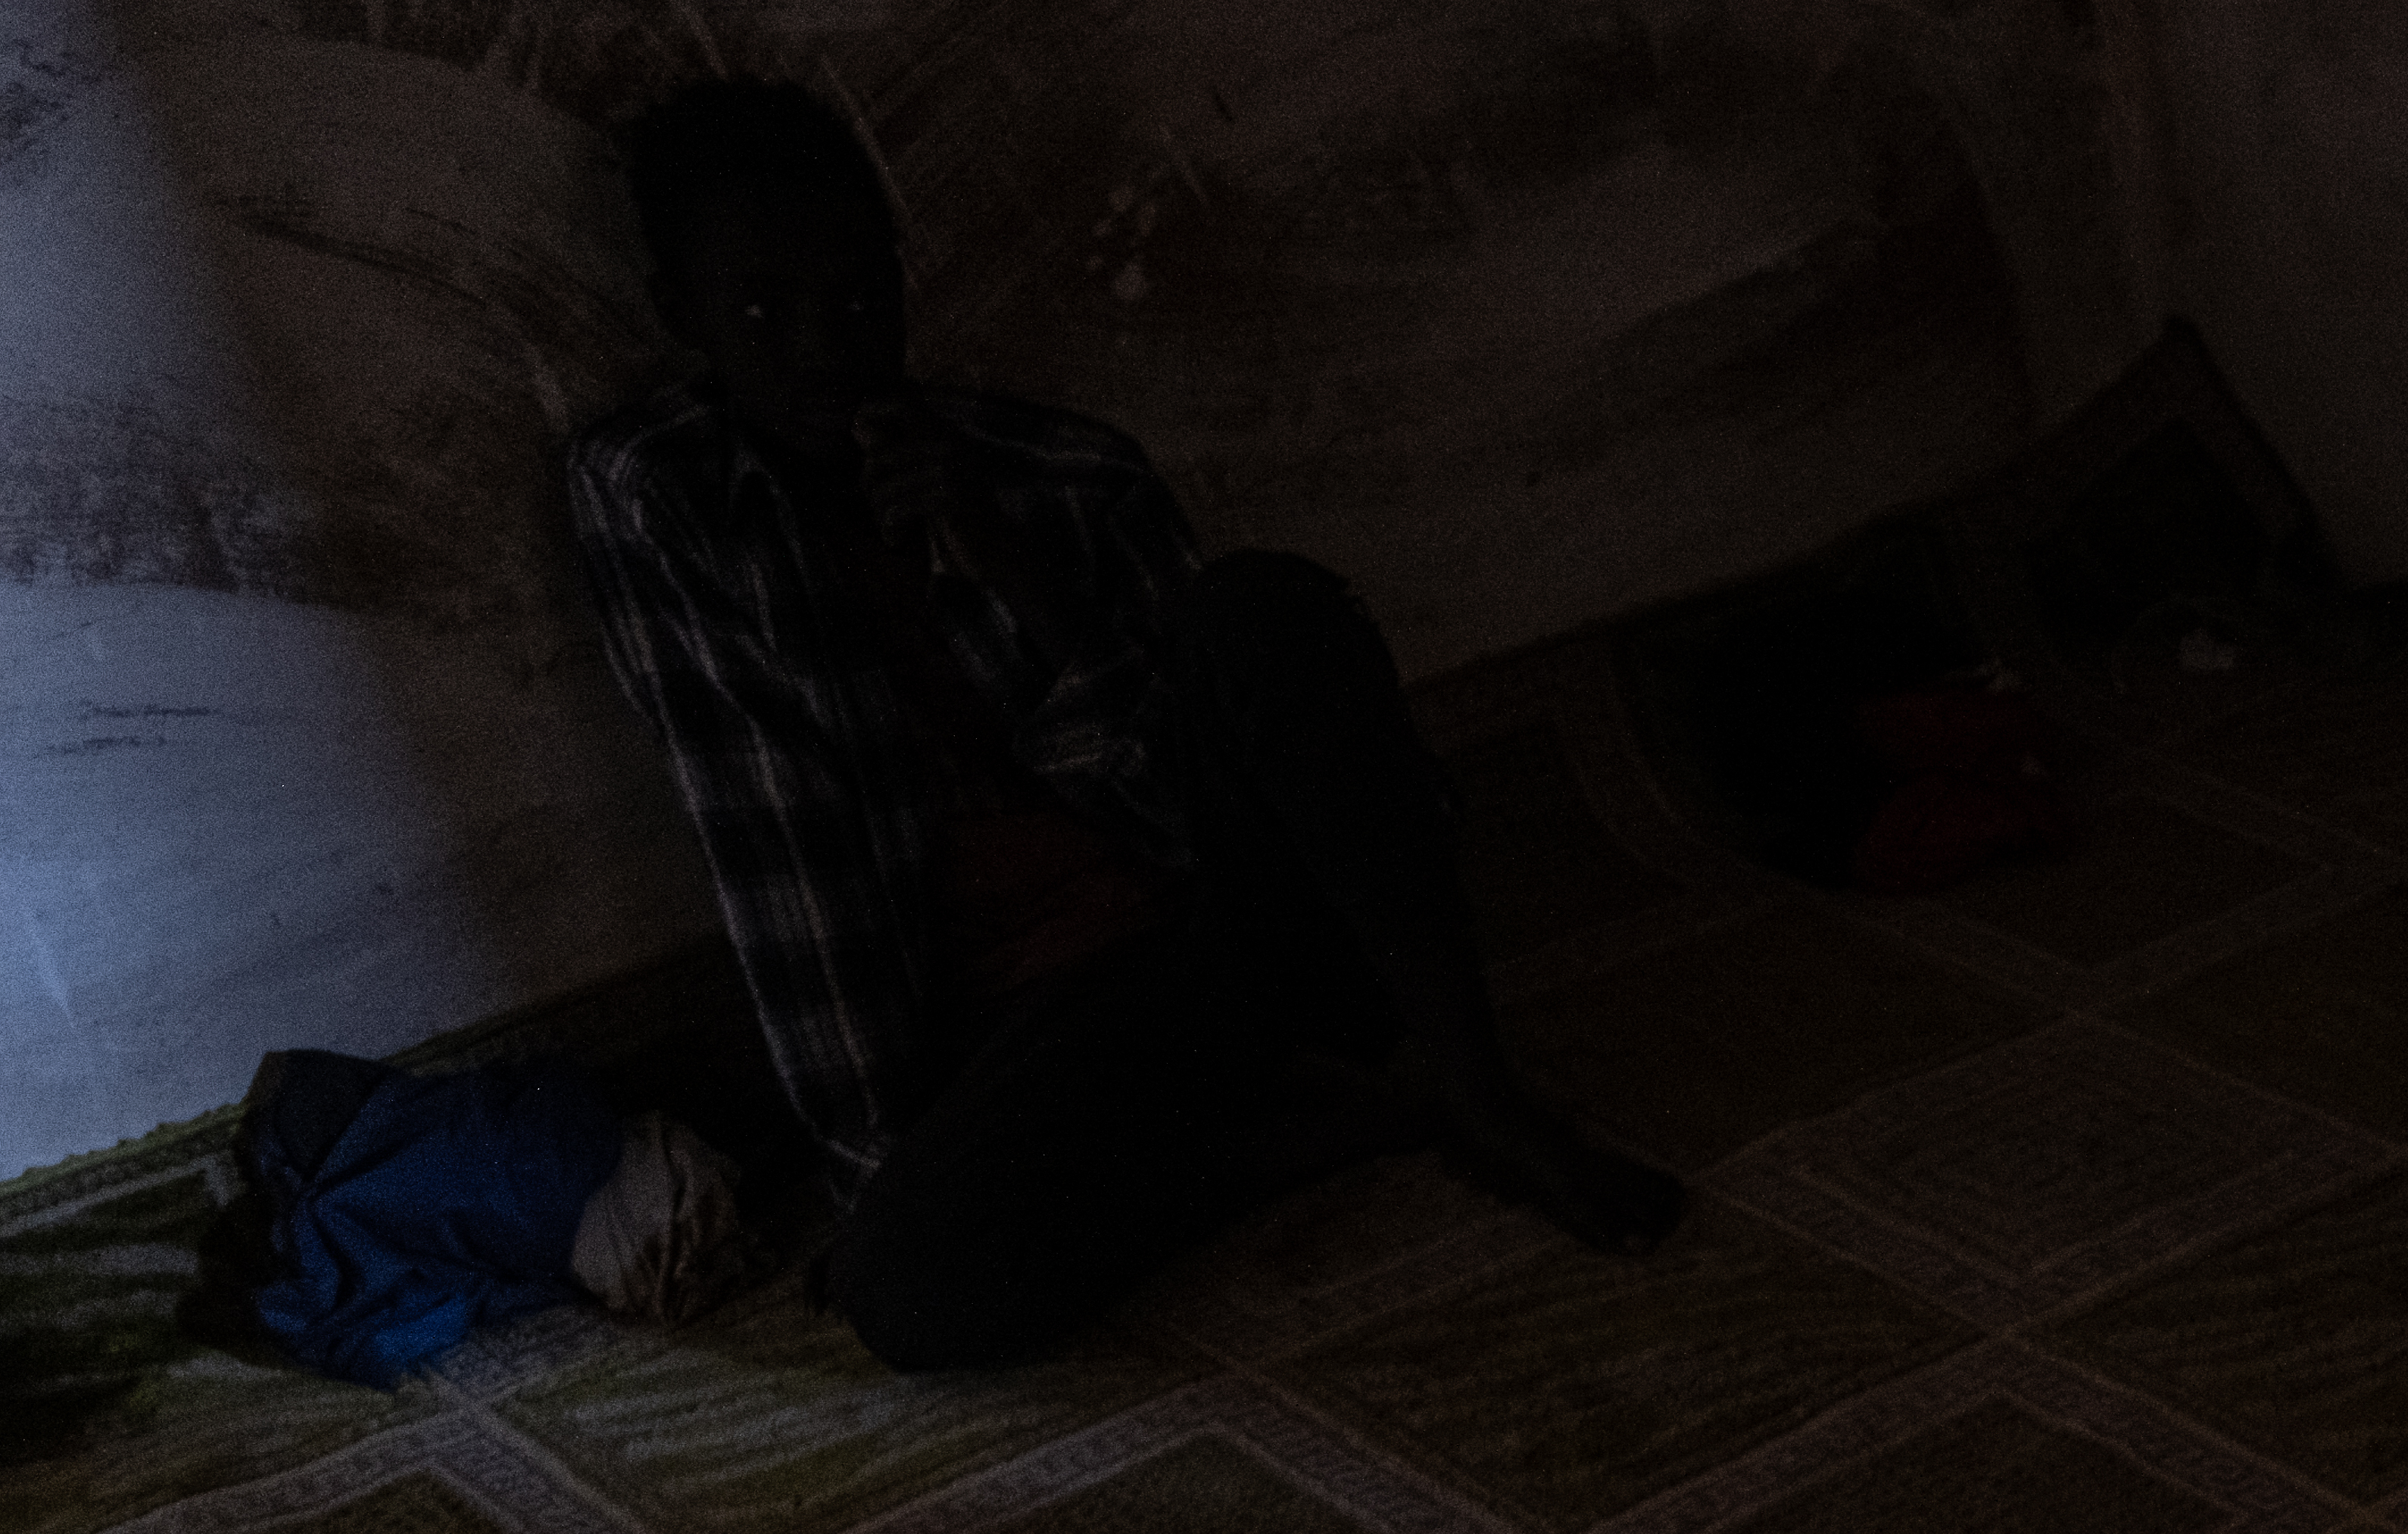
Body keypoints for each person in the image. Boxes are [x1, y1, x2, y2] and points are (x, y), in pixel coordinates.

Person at [562, 80, 1681, 1371]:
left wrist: (1010, 568)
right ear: (680, 318)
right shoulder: (661, 501)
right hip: (1031, 1030)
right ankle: (1347, 1124)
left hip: (1235, 940)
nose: (824, 345)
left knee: (1268, 611)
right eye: (761, 309)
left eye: (861, 294)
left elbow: (1180, 802)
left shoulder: (1060, 474)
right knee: (911, 1297)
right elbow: (779, 844)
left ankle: (1476, 1090)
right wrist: (893, 1175)